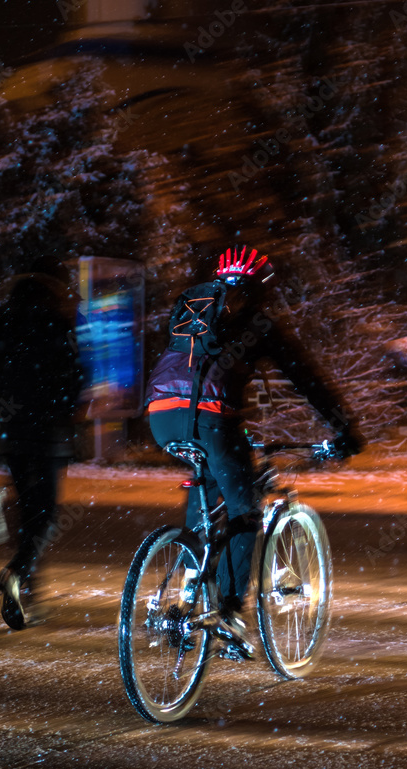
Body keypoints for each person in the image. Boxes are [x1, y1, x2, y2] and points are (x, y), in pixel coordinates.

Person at [144, 245, 363, 655]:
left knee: (209, 498)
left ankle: (188, 592)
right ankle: (228, 611)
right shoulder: (258, 323)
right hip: (212, 419)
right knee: (245, 512)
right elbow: (307, 381)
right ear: (262, 286)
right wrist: (343, 429)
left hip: (161, 415)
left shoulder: (195, 313)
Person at [0, 256, 85, 630]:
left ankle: (28, 585)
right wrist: (68, 409)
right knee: (44, 511)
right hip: (48, 431)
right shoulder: (58, 321)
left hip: (10, 427)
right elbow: (74, 375)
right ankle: (19, 573)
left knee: (27, 507)